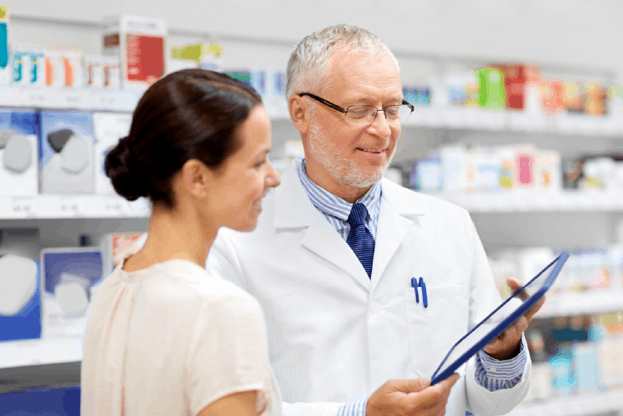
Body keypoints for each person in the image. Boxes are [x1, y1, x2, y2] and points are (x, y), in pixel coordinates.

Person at [206, 24, 541, 416]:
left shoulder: (450, 226)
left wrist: (501, 354)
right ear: (301, 112)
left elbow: (489, 403)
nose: (382, 130)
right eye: (360, 109)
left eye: (393, 109)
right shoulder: (234, 240)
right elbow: (227, 404)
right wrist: (358, 414)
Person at [80, 68, 286, 416]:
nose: (274, 178)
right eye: (258, 162)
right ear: (197, 177)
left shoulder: (112, 290)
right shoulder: (219, 310)